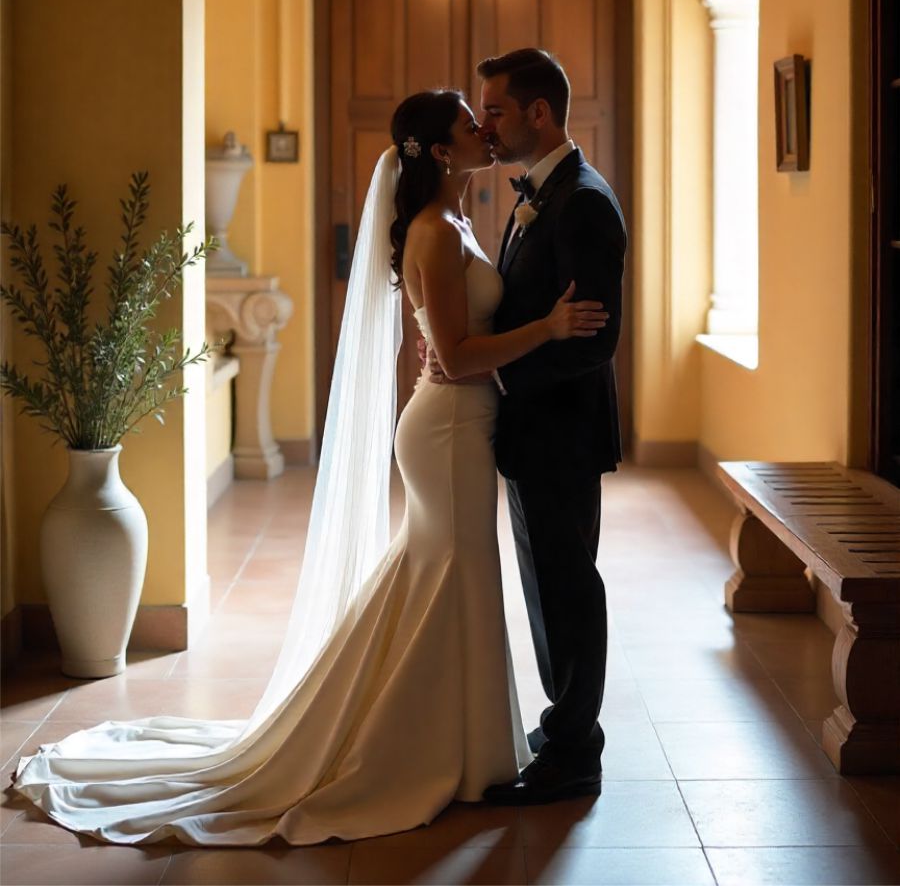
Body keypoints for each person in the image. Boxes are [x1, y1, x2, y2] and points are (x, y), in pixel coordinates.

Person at [10, 88, 608, 846]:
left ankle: (462, 744)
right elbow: (454, 359)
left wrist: (471, 337)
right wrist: (549, 328)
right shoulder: (433, 228)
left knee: (444, 579)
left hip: (460, 426)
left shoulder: (455, 219)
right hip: (450, 428)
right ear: (439, 150)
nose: (485, 132)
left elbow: (442, 334)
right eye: (469, 124)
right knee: (448, 575)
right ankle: (419, 749)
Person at [432, 49, 627, 806]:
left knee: (570, 586)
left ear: (538, 113)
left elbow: (597, 336)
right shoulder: (542, 194)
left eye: (497, 109)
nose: (486, 122)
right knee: (546, 584)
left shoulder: (582, 201)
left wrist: (505, 373)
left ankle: (578, 751)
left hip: (563, 431)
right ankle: (565, 720)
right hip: (531, 430)